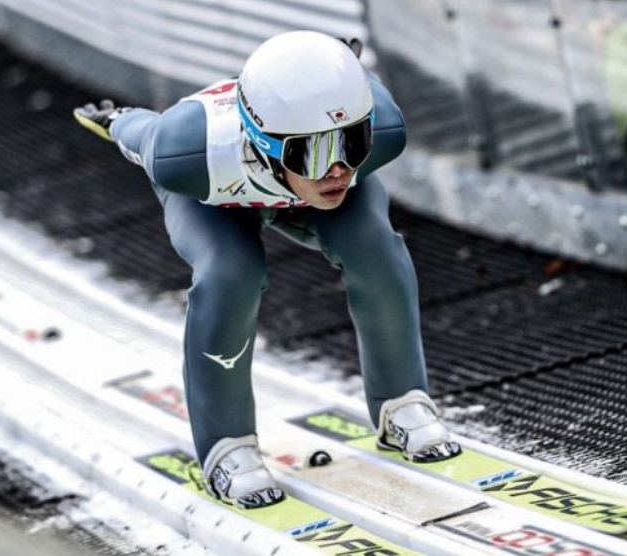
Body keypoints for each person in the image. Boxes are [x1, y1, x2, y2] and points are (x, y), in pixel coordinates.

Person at [73, 31, 461, 509]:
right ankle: (226, 447)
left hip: (297, 193)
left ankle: (403, 403)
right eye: (313, 151)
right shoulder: (184, 153)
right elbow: (141, 134)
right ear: (262, 142)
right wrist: (117, 119)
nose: (338, 167)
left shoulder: (382, 133)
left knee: (374, 246)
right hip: (216, 199)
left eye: (351, 141)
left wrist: (336, 63)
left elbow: (354, 93)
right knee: (228, 273)